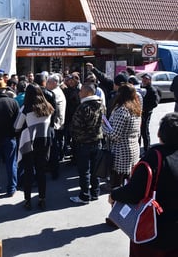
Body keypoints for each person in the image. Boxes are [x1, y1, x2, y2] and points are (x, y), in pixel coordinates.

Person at [109, 112, 178, 257]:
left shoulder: (155, 157)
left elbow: (134, 192)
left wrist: (114, 194)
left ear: (159, 133)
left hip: (153, 231)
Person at [14, 83, 54, 210]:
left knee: (29, 172)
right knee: (41, 172)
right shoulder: (48, 107)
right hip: (45, 142)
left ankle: (27, 200)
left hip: (29, 144)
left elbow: (16, 127)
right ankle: (42, 199)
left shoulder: (26, 109)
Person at [69, 83, 105, 204]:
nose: (79, 93)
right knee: (95, 169)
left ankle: (84, 196)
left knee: (84, 171)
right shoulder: (101, 105)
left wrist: (74, 137)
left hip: (83, 143)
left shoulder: (83, 107)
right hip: (97, 141)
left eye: (81, 91)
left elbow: (75, 126)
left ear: (87, 92)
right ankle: (95, 192)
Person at [102, 83, 141, 189]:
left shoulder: (122, 110)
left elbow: (115, 135)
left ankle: (116, 204)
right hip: (133, 149)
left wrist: (103, 127)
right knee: (128, 183)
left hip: (121, 151)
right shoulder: (136, 108)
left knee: (117, 186)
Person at [140, 73, 160, 153]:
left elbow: (155, 103)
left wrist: (146, 109)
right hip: (139, 112)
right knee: (139, 132)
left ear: (150, 80)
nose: (144, 80)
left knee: (145, 131)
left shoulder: (152, 90)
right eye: (143, 79)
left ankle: (147, 150)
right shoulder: (141, 88)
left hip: (146, 113)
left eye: (146, 79)